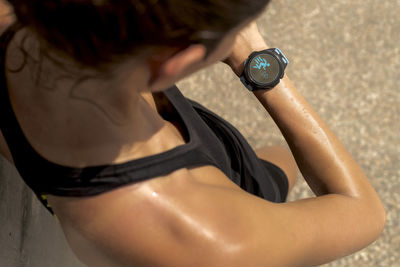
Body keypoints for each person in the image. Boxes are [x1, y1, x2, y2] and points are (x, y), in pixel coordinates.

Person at [0, 0, 385, 266]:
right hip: (230, 192)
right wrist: (260, 66)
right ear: (175, 61)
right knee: (271, 179)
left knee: (271, 163)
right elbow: (362, 210)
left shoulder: (33, 22)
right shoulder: (213, 239)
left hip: (178, 152)